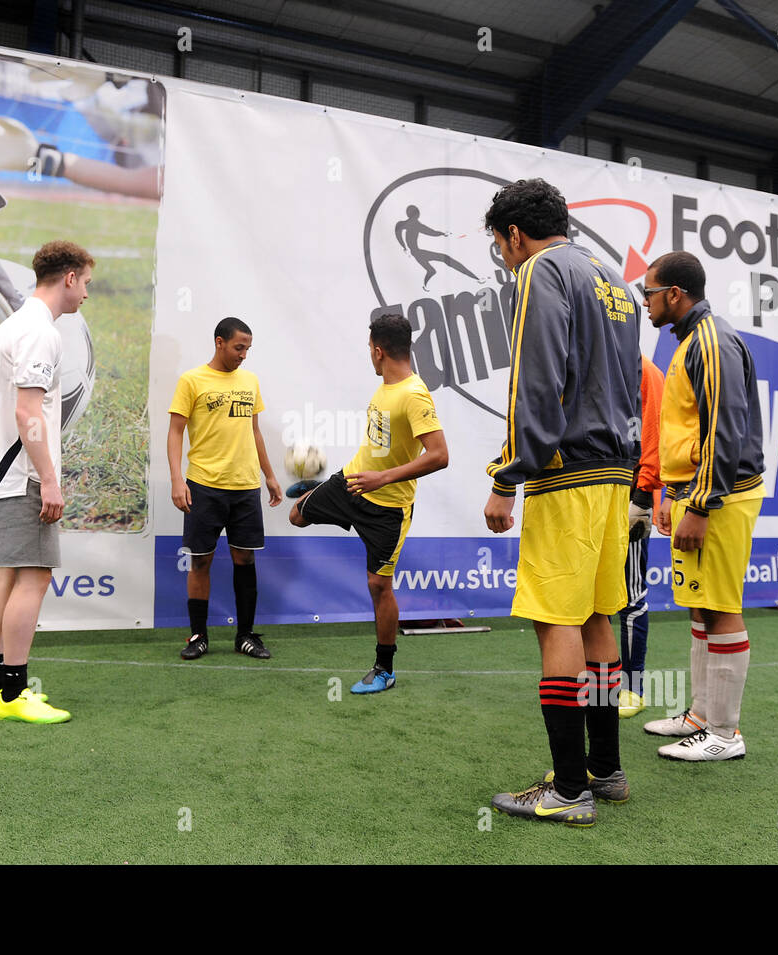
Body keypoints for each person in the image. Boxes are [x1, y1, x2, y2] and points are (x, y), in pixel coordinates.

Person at [481, 179, 641, 827]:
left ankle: (568, 788)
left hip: (565, 471)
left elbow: (536, 376)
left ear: (515, 234)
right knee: (599, 615)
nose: (504, 257)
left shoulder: (540, 272)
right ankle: (604, 769)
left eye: (500, 245)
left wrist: (506, 475)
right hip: (614, 472)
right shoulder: (614, 281)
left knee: (556, 622)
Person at [640, 251, 764, 761]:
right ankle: (701, 716)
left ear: (674, 294)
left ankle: (726, 735)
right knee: (699, 601)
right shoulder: (689, 341)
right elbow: (685, 432)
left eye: (649, 292)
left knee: (720, 604)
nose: (644, 302)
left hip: (723, 495)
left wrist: (702, 505)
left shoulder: (711, 341)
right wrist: (672, 494)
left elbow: (724, 430)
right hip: (696, 492)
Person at [289, 313, 449, 693]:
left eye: (369, 350)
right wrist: (362, 476)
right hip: (352, 482)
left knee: (379, 585)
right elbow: (379, 447)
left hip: (388, 508)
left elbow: (440, 454)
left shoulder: (413, 393)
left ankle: (384, 669)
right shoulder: (384, 387)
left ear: (378, 351)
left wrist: (383, 478)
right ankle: (316, 488)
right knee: (296, 516)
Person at [0, 240, 92, 724]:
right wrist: (49, 480)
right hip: (20, 478)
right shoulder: (40, 332)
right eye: (85, 283)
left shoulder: (14, 324)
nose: (85, 294)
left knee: (9, 576)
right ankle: (14, 694)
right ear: (68, 278)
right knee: (34, 577)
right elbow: (28, 412)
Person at [168, 317, 283, 660]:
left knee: (244, 559)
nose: (244, 355)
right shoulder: (191, 380)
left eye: (247, 348)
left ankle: (245, 636)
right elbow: (175, 432)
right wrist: (177, 479)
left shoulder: (250, 380)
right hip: (204, 484)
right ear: (219, 342)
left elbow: (255, 430)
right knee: (201, 561)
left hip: (245, 485)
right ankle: (198, 636)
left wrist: (270, 475)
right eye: (238, 347)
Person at [617, 355, 665, 718]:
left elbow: (656, 436)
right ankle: (597, 682)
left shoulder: (644, 371)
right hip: (588, 490)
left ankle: (633, 687)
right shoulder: (586, 358)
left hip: (630, 495)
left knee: (631, 594)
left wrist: (644, 497)